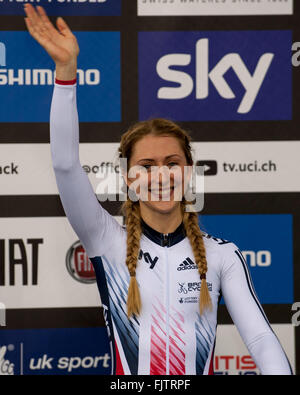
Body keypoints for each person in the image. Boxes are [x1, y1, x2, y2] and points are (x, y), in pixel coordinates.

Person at [24, 4, 293, 375]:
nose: (161, 175)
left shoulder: (222, 256)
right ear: (128, 177)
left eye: (172, 163)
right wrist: (66, 72)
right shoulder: (105, 240)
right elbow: (65, 164)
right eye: (146, 166)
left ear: (189, 174)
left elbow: (262, 342)